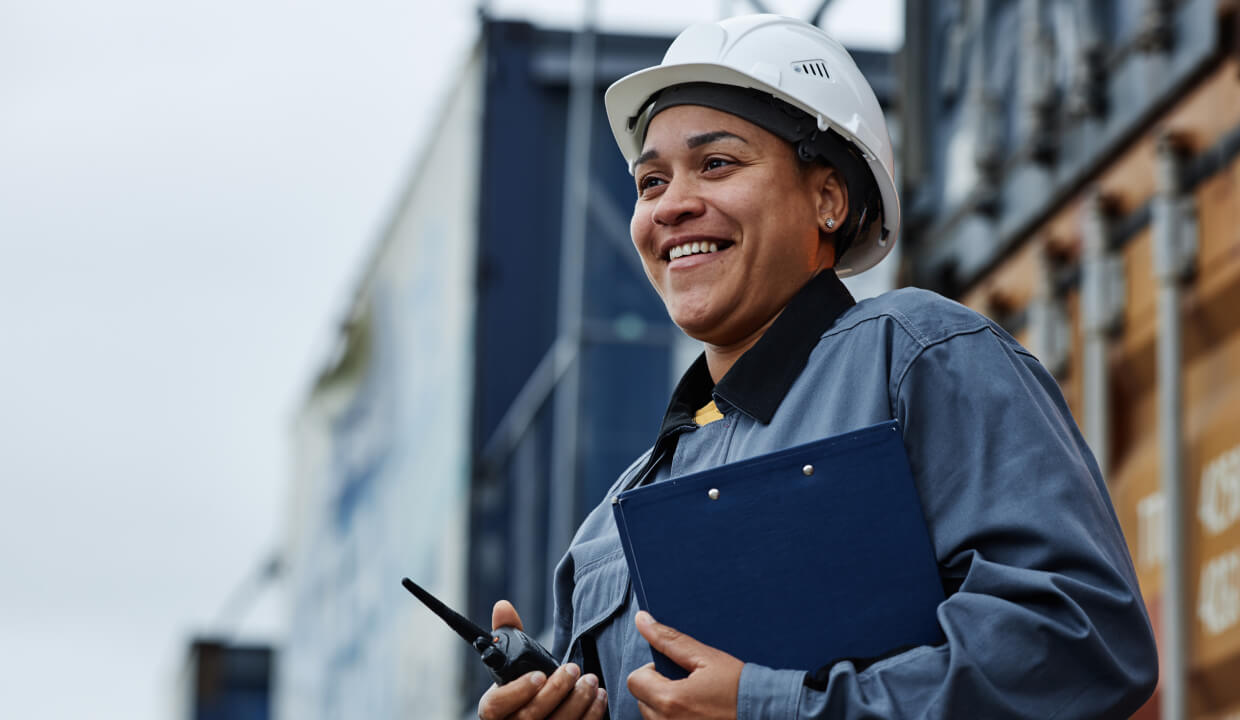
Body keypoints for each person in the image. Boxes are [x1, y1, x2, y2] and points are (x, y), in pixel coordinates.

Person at [477, 13, 1158, 720]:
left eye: (716, 164)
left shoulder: (917, 358)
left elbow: (1079, 641)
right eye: (651, 182)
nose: (672, 205)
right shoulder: (607, 529)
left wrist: (771, 708)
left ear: (828, 199)